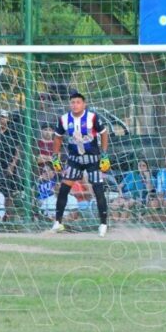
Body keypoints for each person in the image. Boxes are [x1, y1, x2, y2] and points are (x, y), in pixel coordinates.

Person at [50, 92, 111, 237]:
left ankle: (103, 224)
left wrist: (104, 155)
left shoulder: (92, 117)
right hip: (74, 160)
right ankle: (58, 222)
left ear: (84, 104)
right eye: (72, 102)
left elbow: (104, 133)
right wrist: (55, 157)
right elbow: (58, 138)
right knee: (64, 189)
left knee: (98, 190)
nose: (75, 105)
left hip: (92, 160)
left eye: (78, 102)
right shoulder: (64, 119)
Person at [0, 110, 21, 213]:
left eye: (3, 117)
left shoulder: (12, 133)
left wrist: (12, 165)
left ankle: (8, 216)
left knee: (8, 193)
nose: (1, 119)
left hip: (8, 166)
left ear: (8, 119)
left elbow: (18, 151)